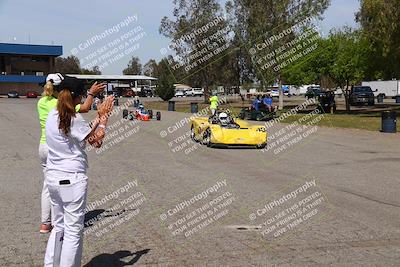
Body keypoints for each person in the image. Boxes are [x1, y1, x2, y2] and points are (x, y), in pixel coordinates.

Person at [44, 76, 114, 267]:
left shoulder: (53, 115)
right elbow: (97, 141)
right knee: (73, 231)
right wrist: (104, 118)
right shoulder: (73, 119)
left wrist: (98, 118)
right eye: (82, 96)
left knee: (58, 228)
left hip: (53, 178)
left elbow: (85, 134)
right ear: (77, 97)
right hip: (72, 181)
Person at [37, 73, 105, 234]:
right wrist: (102, 118)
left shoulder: (44, 103)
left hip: (46, 146)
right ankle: (62, 222)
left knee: (48, 187)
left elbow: (81, 130)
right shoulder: (63, 108)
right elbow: (93, 138)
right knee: (72, 229)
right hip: (67, 163)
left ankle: (46, 223)